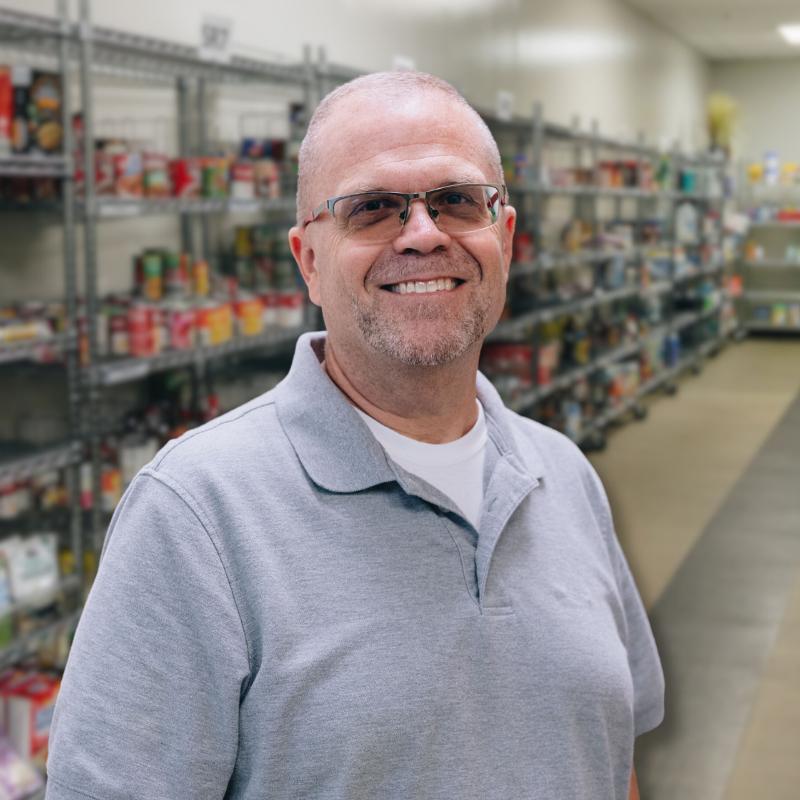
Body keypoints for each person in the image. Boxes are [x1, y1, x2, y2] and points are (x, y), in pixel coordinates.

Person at [45, 71, 662, 800]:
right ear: (308, 259)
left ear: (505, 236)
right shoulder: (195, 514)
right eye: (372, 208)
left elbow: (605, 756)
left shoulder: (563, 474)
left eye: (458, 201)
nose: (424, 234)